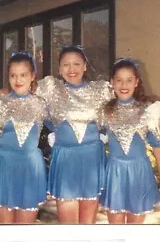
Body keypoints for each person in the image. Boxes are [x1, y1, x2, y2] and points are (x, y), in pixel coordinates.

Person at [35, 45, 113, 224]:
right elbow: (21, 88)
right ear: (59, 68)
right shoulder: (51, 89)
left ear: (85, 66)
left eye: (76, 64)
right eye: (66, 65)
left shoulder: (100, 90)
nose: (72, 69)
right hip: (65, 159)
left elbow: (122, 106)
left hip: (91, 159)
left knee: (87, 224)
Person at [99, 58, 160, 224]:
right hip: (115, 173)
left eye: (129, 80)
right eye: (119, 80)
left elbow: (158, 150)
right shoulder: (105, 111)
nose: (124, 85)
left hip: (139, 174)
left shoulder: (147, 111)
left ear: (136, 82)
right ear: (112, 82)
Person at [0, 51, 48, 224]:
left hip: (30, 169)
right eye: (13, 75)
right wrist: (4, 144)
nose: (18, 80)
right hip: (3, 168)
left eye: (23, 75)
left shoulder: (43, 103)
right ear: (7, 77)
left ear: (32, 76)